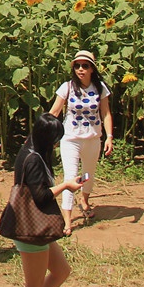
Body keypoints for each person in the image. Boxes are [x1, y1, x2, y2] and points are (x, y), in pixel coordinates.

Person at [8, 114, 81, 287]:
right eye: (55, 139)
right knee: (33, 285)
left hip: (37, 229)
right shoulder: (33, 159)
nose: (56, 144)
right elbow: (40, 196)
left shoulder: (31, 149)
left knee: (61, 270)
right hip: (31, 230)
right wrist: (66, 186)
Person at [48, 50, 113, 229]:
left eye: (85, 66)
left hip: (93, 138)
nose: (80, 69)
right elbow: (54, 111)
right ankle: (67, 220)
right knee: (70, 177)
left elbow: (106, 113)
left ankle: (84, 200)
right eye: (77, 66)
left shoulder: (100, 88)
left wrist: (109, 137)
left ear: (92, 68)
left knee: (87, 174)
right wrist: (41, 134)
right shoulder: (67, 87)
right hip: (70, 138)